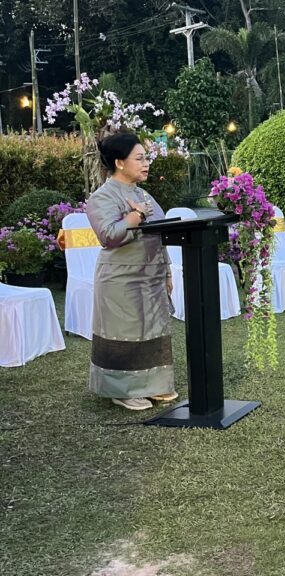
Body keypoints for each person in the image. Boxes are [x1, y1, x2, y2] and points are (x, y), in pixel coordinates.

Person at [86, 133, 176, 411]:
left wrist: (167, 271)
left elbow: (161, 233)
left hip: (151, 275)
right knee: (125, 332)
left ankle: (154, 385)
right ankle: (122, 390)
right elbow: (109, 236)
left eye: (146, 158)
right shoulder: (102, 197)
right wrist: (135, 217)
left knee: (152, 329)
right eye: (139, 158)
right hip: (121, 277)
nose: (146, 163)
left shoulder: (143, 194)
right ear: (119, 163)